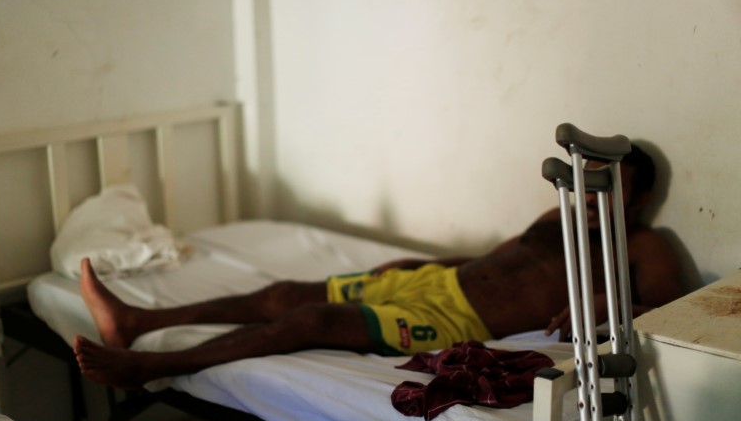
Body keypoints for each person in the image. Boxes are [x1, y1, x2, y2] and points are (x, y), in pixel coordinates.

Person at [74, 145, 683, 389]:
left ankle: (148, 366)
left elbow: (670, 313)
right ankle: (135, 322)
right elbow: (502, 261)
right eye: (587, 180)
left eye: (608, 186)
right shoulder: (560, 218)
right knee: (284, 289)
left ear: (636, 199)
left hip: (453, 317)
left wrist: (610, 308)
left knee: (309, 317)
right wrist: (425, 263)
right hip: (436, 281)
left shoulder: (643, 244)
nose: (590, 193)